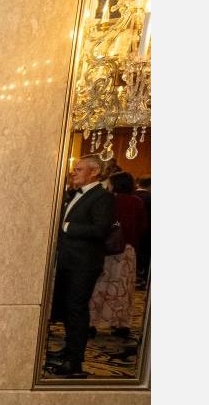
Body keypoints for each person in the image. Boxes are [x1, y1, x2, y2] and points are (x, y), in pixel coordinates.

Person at [48, 154, 115, 378]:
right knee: (68, 309)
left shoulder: (102, 197)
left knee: (76, 310)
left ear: (94, 172)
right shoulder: (75, 194)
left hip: (84, 264)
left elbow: (100, 230)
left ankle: (74, 361)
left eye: (78, 169)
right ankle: (69, 350)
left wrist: (66, 226)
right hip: (69, 261)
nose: (73, 172)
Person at [89, 171, 146, 336]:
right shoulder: (137, 201)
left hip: (107, 249)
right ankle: (121, 324)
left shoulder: (108, 200)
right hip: (128, 250)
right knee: (123, 287)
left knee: (100, 285)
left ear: (114, 184)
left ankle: (92, 323)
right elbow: (143, 226)